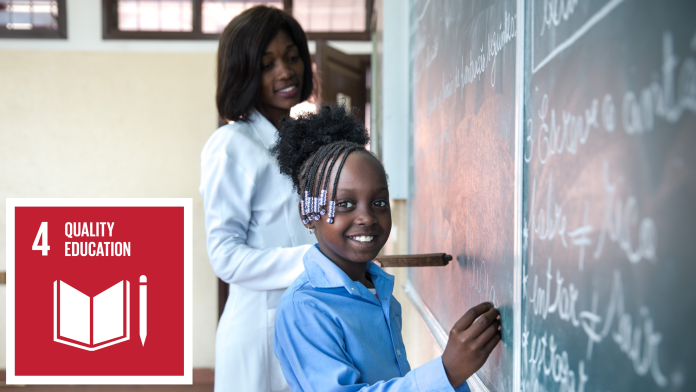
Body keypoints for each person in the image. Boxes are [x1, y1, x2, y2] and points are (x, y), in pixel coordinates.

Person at [271, 104, 502, 392]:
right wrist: (447, 372)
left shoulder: (376, 289)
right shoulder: (305, 308)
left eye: (379, 202)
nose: (367, 217)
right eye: (344, 204)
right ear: (308, 214)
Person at [199, 6, 316, 392]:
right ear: (244, 72)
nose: (285, 72)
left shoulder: (298, 142)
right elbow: (225, 256)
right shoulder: (232, 146)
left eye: (292, 56)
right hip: (258, 335)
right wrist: (315, 260)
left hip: (306, 322)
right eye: (267, 64)